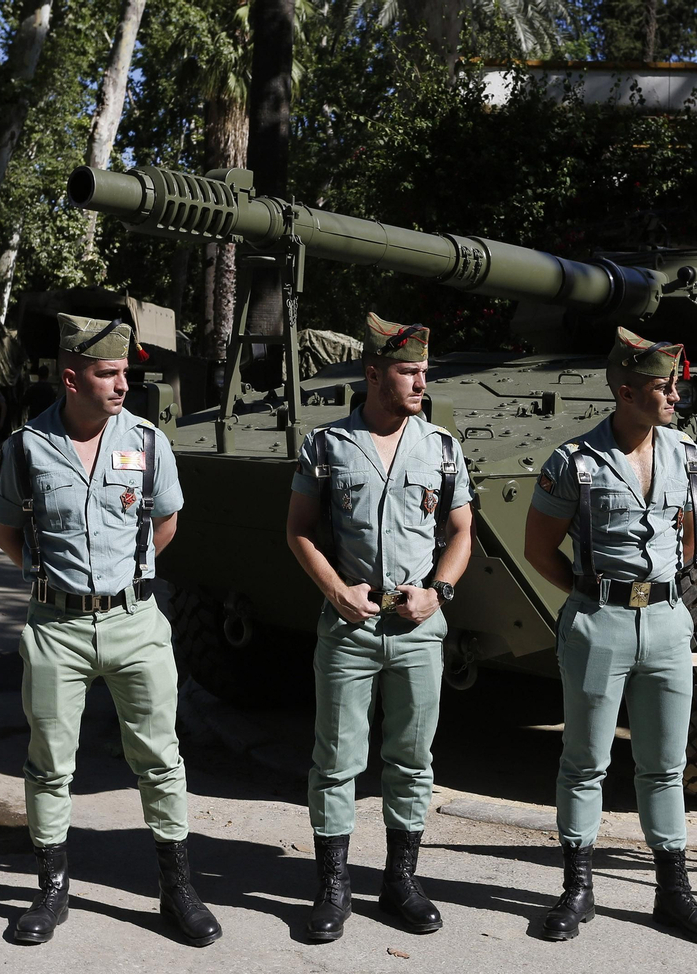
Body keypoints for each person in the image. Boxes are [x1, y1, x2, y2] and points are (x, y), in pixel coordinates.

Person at [0, 314, 220, 947]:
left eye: (125, 373)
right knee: (49, 764)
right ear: (71, 378)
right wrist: (54, 583)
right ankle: (51, 889)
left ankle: (178, 887)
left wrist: (127, 581)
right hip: (54, 627)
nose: (122, 384)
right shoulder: (25, 448)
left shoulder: (146, 442)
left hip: (136, 622)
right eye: (108, 372)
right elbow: (7, 529)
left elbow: (164, 523)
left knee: (160, 759)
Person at [522, 326, 697, 946]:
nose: (675, 397)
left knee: (664, 765)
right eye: (664, 387)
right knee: (584, 762)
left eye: (675, 386)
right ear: (627, 391)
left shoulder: (687, 453)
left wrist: (659, 594)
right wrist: (594, 597)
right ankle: (577, 890)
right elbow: (538, 550)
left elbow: (695, 535)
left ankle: (672, 892)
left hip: (665, 622)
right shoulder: (574, 462)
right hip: (598, 621)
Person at [285, 313, 474, 942]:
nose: (422, 380)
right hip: (350, 624)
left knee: (412, 758)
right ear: (373, 374)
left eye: (424, 370)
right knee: (336, 760)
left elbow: (462, 531)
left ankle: (400, 881)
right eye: (408, 370)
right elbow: (300, 530)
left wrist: (439, 594)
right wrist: (335, 590)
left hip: (417, 626)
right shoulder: (327, 446)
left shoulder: (442, 447)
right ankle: (333, 887)